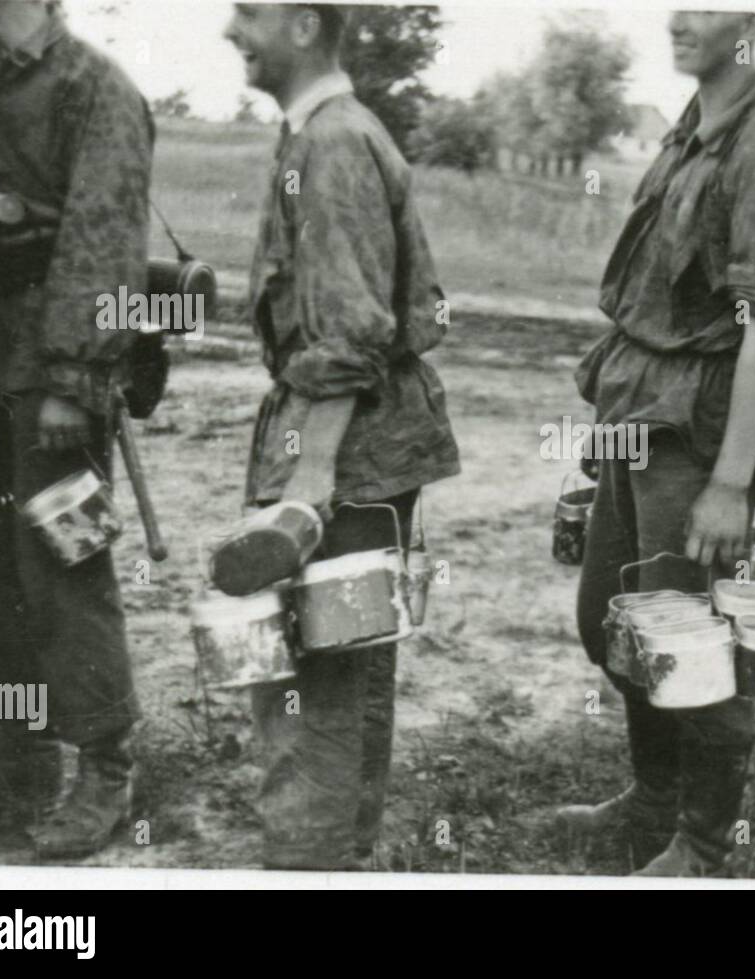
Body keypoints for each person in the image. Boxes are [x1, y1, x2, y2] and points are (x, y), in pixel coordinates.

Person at [559, 10, 755, 877]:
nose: (680, 16)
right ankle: (653, 800)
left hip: (703, 430)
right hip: (644, 416)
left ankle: (706, 843)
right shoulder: (691, 133)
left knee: (690, 637)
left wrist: (727, 484)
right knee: (610, 614)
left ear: (753, 20)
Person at [223, 3, 459, 870]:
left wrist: (307, 483)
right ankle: (339, 849)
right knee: (348, 660)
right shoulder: (323, 132)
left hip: (343, 451)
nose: (229, 29)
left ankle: (307, 859)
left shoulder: (331, 143)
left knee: (309, 673)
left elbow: (352, 333)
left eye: (248, 11)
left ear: (303, 24)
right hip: (364, 446)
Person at [0, 0, 152, 859]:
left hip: (53, 378)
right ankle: (21, 747)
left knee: (69, 560)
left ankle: (108, 765)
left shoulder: (93, 87)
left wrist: (76, 377)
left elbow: (105, 244)